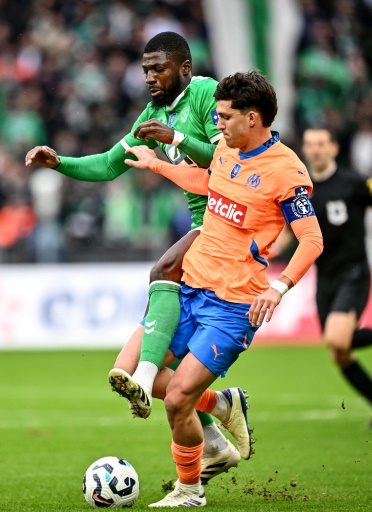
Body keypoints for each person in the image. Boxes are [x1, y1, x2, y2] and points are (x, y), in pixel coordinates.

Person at [25, 31, 239, 483]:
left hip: (229, 219)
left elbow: (227, 157)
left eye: (157, 67)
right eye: (144, 69)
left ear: (184, 67)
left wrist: (176, 135)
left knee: (162, 270)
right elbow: (108, 163)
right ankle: (217, 424)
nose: (148, 77)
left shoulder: (205, 94)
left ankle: (152, 384)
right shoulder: (153, 114)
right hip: (204, 227)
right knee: (169, 372)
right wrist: (58, 162)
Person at [124, 70, 323, 507]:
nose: (217, 125)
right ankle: (222, 404)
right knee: (131, 372)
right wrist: (157, 163)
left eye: (225, 118)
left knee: (177, 398)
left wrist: (280, 287)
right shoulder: (226, 149)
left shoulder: (286, 171)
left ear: (253, 118)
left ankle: (189, 491)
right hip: (191, 287)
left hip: (233, 306)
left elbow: (312, 239)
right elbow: (209, 184)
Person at [300, 128, 372, 429]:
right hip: (323, 275)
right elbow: (292, 230)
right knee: (340, 354)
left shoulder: (354, 182)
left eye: (321, 144)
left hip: (353, 271)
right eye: (310, 144)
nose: (315, 150)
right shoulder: (301, 188)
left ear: (334, 148)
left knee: (336, 339)